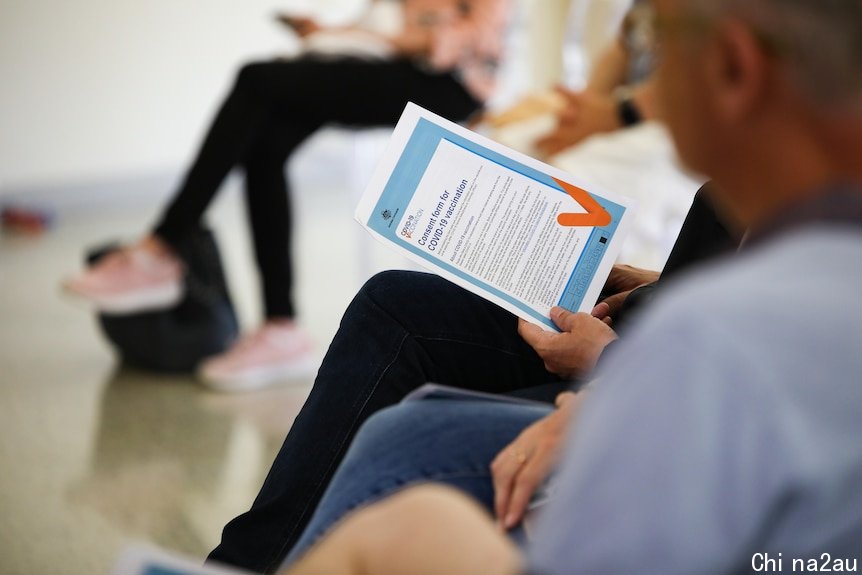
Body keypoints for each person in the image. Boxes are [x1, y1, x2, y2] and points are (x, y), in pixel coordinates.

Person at [265, 0, 862, 572]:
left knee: (408, 451)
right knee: (397, 305)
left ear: (733, 66)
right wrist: (645, 283)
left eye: (658, 45)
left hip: (627, 354)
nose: (647, 75)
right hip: (636, 324)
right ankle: (246, 560)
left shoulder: (710, 342)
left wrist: (612, 370)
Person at [63, 0, 511, 391]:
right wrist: (331, 36)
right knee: (265, 141)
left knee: (257, 79)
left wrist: (359, 37)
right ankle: (282, 330)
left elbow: (453, 42)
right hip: (393, 67)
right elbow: (387, 29)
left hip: (450, 85)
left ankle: (164, 248)